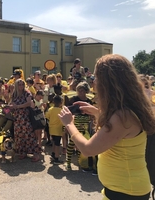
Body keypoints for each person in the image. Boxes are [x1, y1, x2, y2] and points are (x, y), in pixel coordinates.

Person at [59, 54, 155, 199]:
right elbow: (116, 134)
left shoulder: (122, 117)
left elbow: (88, 149)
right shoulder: (129, 109)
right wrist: (97, 113)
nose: (94, 82)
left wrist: (69, 124)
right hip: (123, 189)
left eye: (96, 78)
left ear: (108, 82)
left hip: (125, 192)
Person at [10, 79, 41, 162]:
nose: (21, 86)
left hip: (25, 117)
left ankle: (36, 153)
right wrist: (10, 107)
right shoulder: (14, 94)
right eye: (19, 85)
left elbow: (28, 103)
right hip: (17, 118)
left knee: (29, 135)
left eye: (22, 84)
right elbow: (12, 104)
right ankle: (23, 152)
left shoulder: (27, 93)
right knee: (19, 136)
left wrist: (18, 106)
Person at [45, 95, 63, 164]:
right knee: (57, 144)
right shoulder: (61, 110)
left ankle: (53, 154)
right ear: (61, 103)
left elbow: (47, 116)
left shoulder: (50, 109)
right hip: (58, 129)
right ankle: (56, 157)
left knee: (53, 142)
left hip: (51, 129)